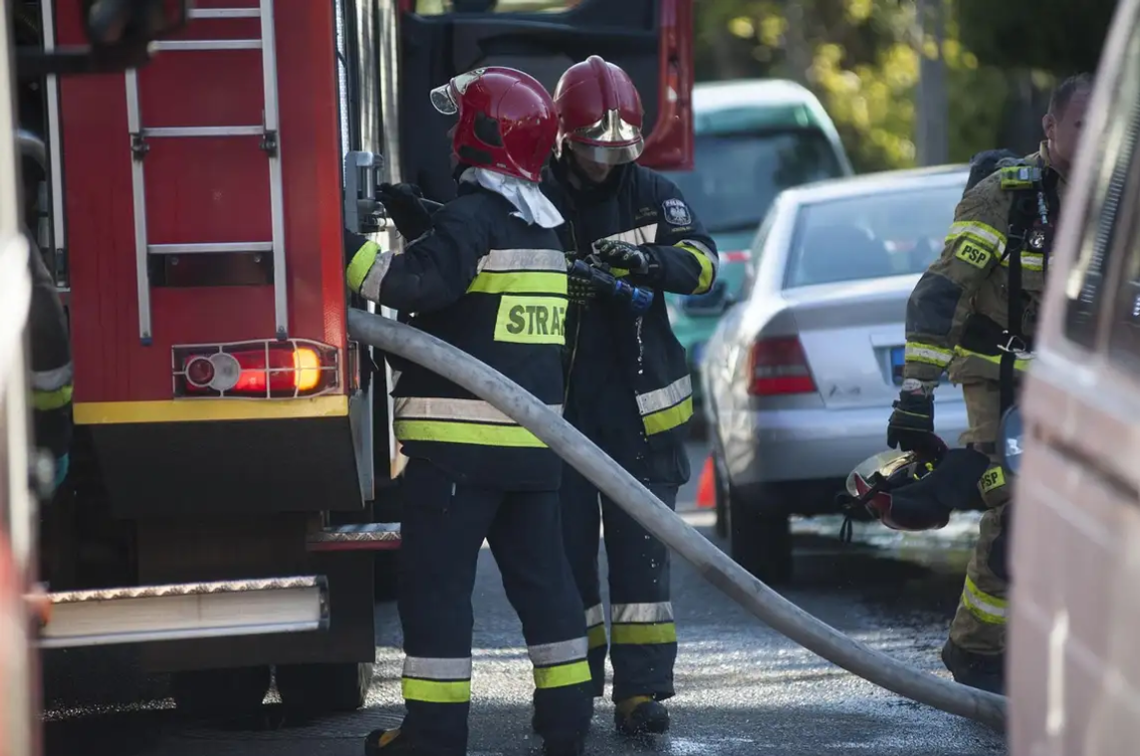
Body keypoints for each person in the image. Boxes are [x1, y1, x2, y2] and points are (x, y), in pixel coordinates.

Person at [347, 66, 593, 756]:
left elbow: (414, 285)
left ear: (479, 133)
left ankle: (431, 735)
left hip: (456, 453)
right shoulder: (543, 228)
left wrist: (336, 250)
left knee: (436, 592)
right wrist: (430, 222)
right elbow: (486, 306)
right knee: (547, 588)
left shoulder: (473, 218)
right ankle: (568, 723)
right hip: (532, 450)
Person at [888, 73, 1093, 694]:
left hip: (1082, 383)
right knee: (1017, 503)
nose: (1096, 140)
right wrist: (916, 395)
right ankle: (974, 651)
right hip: (1001, 373)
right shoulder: (1003, 198)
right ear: (1050, 128)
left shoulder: (1120, 199)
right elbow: (941, 294)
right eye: (1082, 126)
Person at [539, 55, 718, 735]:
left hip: (641, 417)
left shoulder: (652, 193)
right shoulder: (537, 197)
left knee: (642, 568)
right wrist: (566, 284)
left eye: (616, 150)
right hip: (560, 415)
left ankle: (641, 696)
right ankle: (569, 697)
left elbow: (701, 261)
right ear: (564, 136)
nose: (604, 162)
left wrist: (652, 263)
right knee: (566, 566)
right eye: (592, 148)